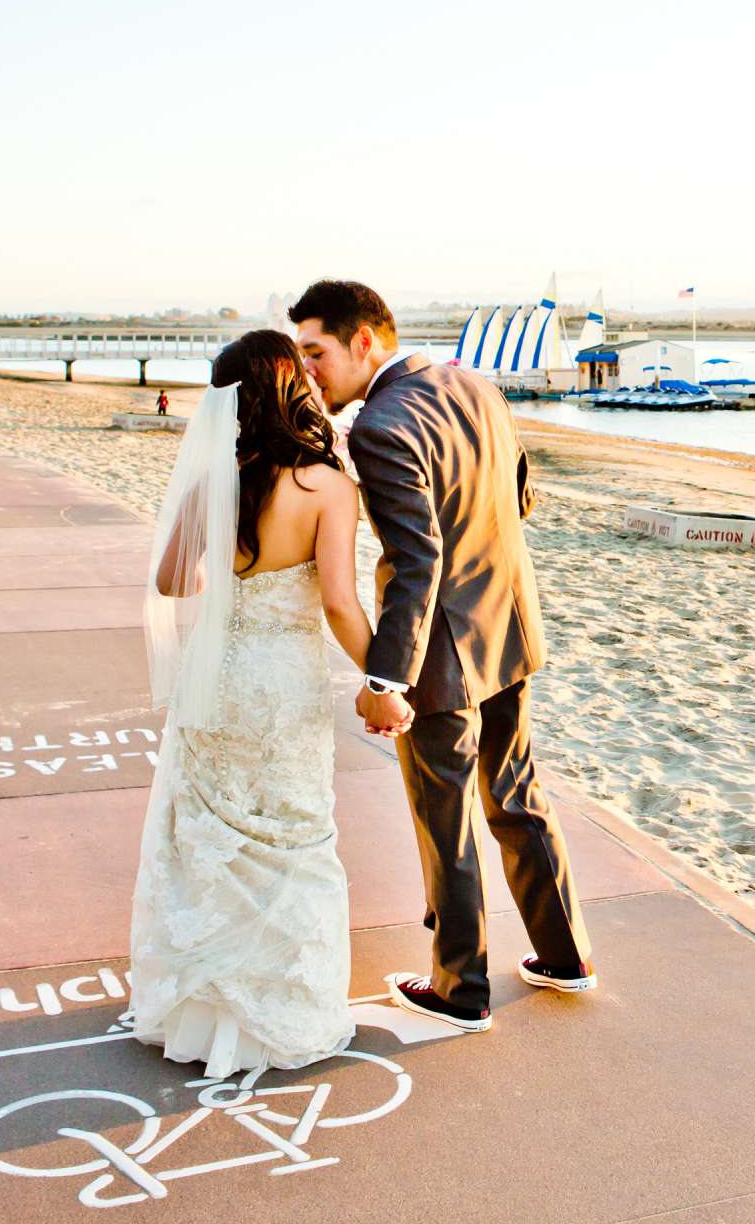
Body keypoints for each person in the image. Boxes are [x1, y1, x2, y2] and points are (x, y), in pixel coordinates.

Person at [292, 278, 595, 1033]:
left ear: (366, 341)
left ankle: (461, 990)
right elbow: (519, 495)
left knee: (446, 817)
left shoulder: (379, 427)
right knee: (516, 794)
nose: (308, 372)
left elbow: (417, 559)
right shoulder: (475, 384)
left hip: (442, 654)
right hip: (511, 627)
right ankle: (565, 958)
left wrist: (384, 677)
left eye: (315, 352)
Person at [128, 330, 374, 1075]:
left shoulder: (215, 477)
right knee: (291, 839)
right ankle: (283, 1014)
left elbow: (174, 582)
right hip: (282, 682)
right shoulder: (328, 485)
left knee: (209, 838)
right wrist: (389, 674)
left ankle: (202, 1018)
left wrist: (230, 582)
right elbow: (337, 604)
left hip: (217, 679)